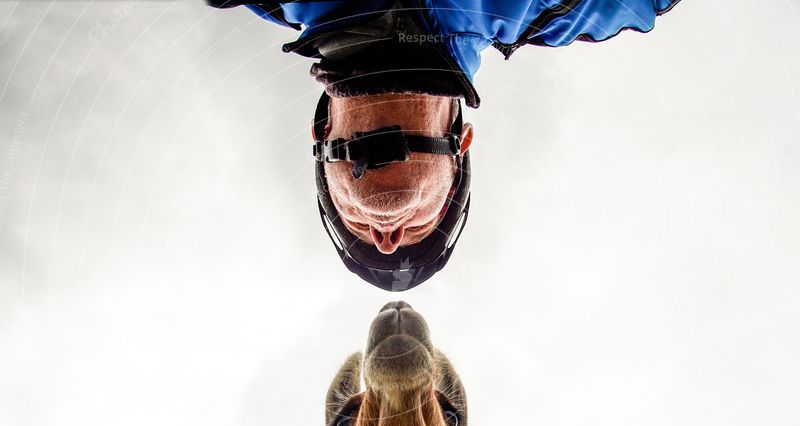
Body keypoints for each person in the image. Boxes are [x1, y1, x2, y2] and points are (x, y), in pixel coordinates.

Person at [208, 1, 681, 290]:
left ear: (321, 136)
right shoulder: (574, 8)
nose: (386, 239)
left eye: (354, 225)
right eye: (420, 226)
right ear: (462, 146)